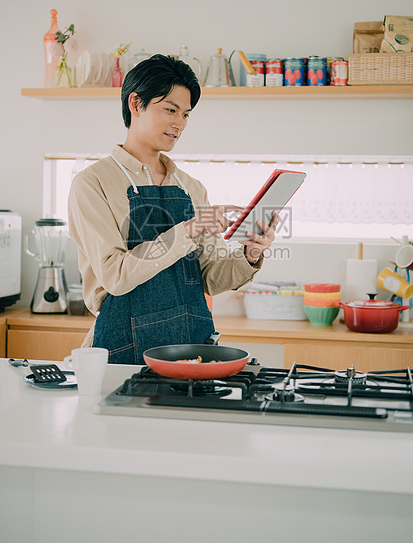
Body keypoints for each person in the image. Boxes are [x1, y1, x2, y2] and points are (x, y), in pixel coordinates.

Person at [68, 54, 278, 364]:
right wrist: (190, 228)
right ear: (135, 104)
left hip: (191, 348)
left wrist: (250, 254)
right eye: (170, 109)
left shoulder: (191, 187)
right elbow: (115, 276)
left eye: (186, 114)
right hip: (122, 347)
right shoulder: (93, 183)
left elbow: (211, 276)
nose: (179, 123)